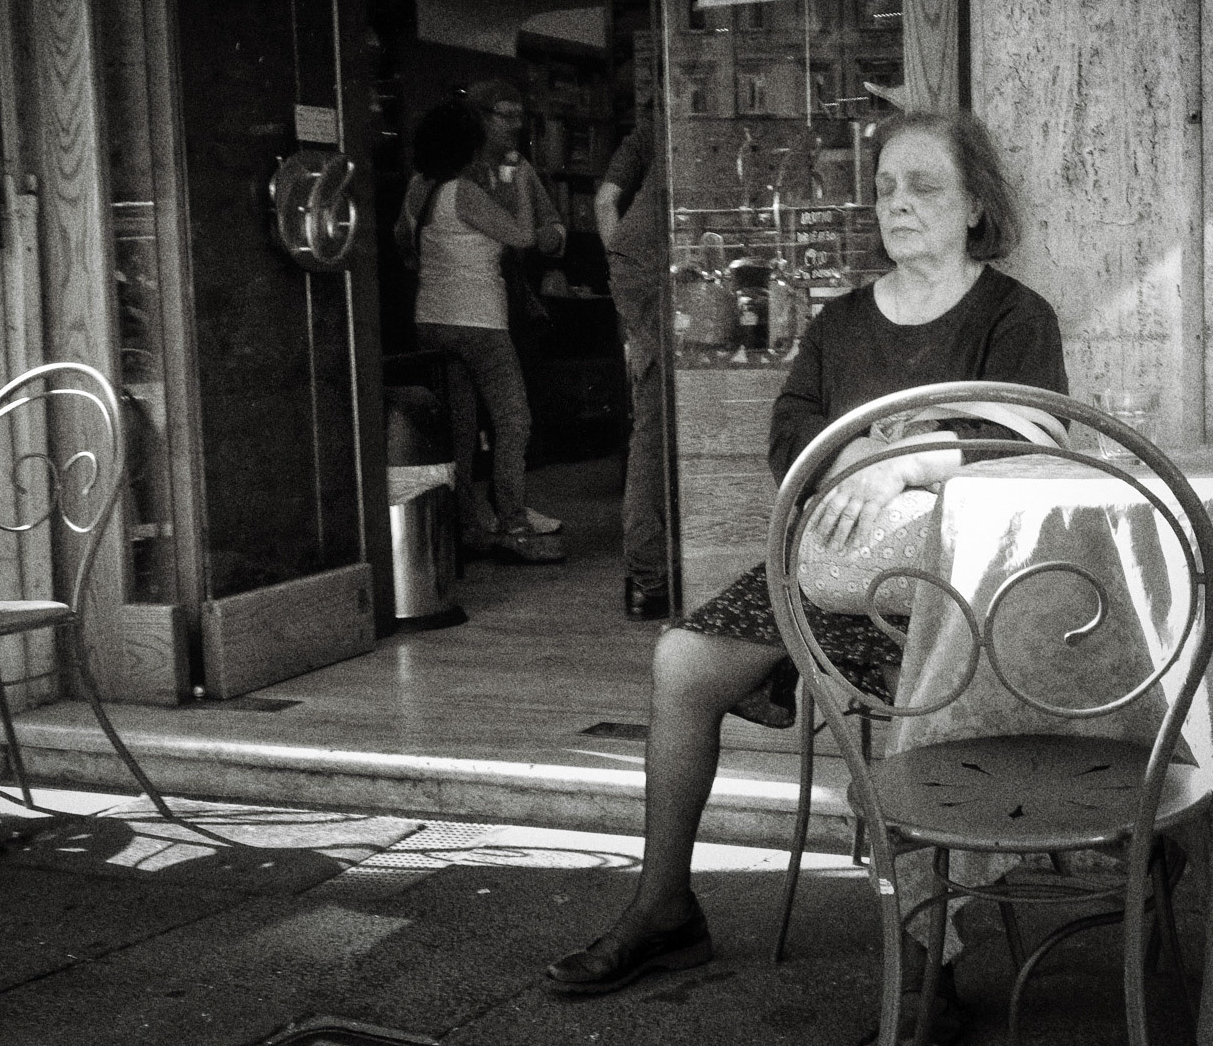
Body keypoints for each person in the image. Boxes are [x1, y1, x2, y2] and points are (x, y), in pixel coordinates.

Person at [544, 110, 1069, 1034]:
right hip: (827, 574)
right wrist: (853, 450)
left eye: (924, 186)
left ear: (975, 205)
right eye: (886, 187)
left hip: (957, 595)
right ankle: (665, 907)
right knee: (681, 661)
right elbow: (790, 433)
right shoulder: (843, 321)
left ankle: (928, 973)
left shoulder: (1014, 318)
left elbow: (1037, 439)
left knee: (921, 704)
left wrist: (911, 461)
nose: (898, 203)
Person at [394, 97, 565, 565]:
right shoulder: (462, 193)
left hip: (431, 319)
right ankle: (513, 525)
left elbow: (403, 242)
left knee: (461, 429)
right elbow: (523, 236)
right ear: (466, 146)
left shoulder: (419, 189)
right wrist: (523, 183)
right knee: (514, 419)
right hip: (478, 321)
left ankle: (466, 527)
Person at [594, 102, 671, 618]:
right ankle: (650, 575)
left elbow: (605, 201)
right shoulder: (670, 128)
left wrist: (620, 256)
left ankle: (647, 579)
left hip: (638, 265)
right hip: (665, 263)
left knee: (655, 411)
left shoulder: (651, 127)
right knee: (661, 414)